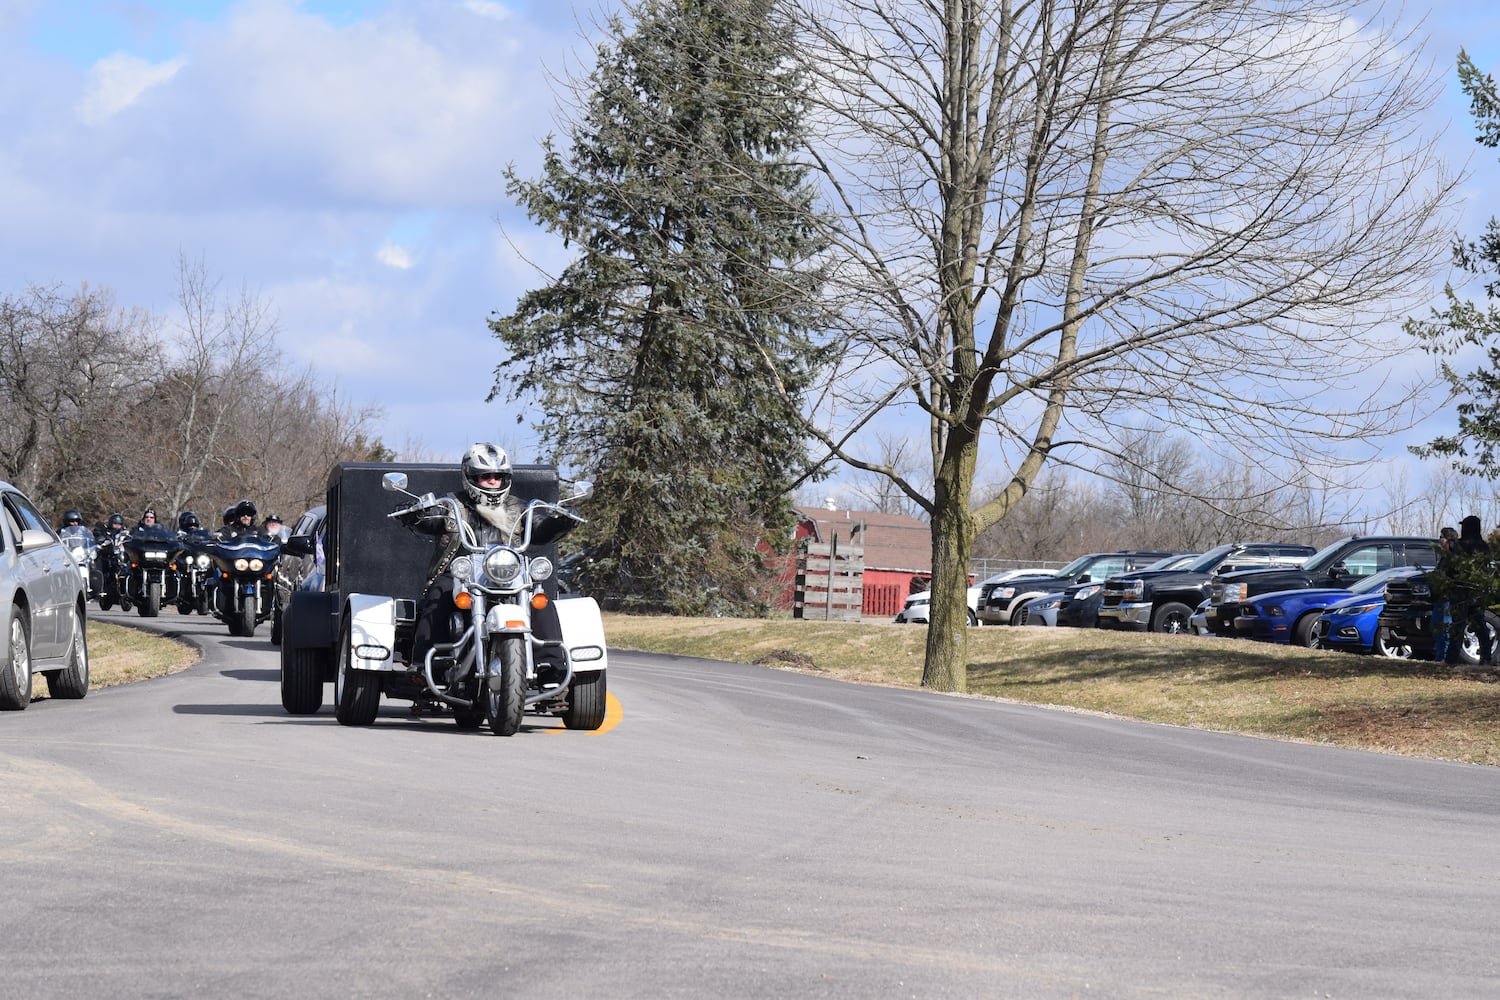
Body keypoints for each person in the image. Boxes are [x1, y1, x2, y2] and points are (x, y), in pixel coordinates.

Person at [396, 442, 564, 685]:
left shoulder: (519, 508)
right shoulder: (451, 505)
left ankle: (551, 666)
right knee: (439, 595)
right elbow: (431, 520)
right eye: (486, 476)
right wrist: (416, 514)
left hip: (509, 577)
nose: (493, 481)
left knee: (540, 601)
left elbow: (538, 524)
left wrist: (557, 521)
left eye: (498, 476)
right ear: (470, 476)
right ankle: (425, 665)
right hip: (460, 576)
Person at [1447, 515, 1494, 666]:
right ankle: (1486, 657)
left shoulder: (1460, 546)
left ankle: (1452, 659)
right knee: (1480, 626)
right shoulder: (1484, 547)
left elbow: (1451, 568)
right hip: (1477, 592)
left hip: (1460, 591)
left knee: (1458, 627)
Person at [1430, 526, 1459, 663]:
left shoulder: (1454, 557)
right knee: (1436, 627)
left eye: (1442, 537)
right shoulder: (1443, 557)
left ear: (1448, 540)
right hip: (1439, 598)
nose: (1440, 540)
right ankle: (1439, 656)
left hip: (1448, 598)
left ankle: (1445, 657)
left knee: (1445, 628)